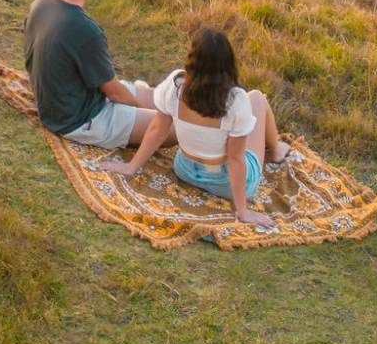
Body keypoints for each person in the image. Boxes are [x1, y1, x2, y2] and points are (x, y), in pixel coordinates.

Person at [97, 25, 289, 229]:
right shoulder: (236, 99)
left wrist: (131, 166)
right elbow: (235, 159)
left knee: (247, 109)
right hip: (225, 184)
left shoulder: (176, 84)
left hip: (185, 170)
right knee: (257, 98)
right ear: (228, 63)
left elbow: (157, 131)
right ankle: (276, 151)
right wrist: (243, 211)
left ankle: (276, 148)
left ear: (192, 58)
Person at [24, 0, 154, 150]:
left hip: (59, 101)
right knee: (170, 127)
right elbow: (114, 93)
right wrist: (140, 112)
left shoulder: (40, 3)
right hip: (77, 119)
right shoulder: (85, 30)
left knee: (158, 97)